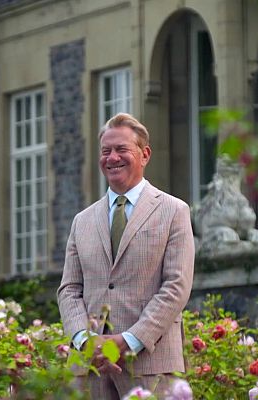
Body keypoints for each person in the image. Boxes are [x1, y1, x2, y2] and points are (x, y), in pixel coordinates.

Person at [57, 113, 195, 398]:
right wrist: (85, 341)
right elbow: (69, 289)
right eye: (106, 151)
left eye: (121, 149)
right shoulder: (82, 220)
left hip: (151, 366)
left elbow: (176, 287)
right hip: (90, 370)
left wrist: (128, 341)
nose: (112, 157)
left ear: (144, 154)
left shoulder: (174, 211)